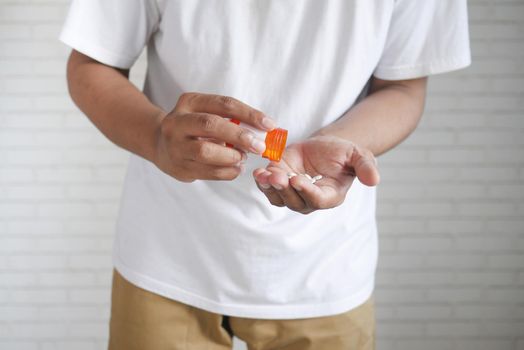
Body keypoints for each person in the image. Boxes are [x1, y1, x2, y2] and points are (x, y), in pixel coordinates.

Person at [61, 1, 471, 349]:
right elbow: (91, 63)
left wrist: (339, 141)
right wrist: (156, 138)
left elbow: (403, 86)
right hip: (165, 257)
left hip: (326, 267)